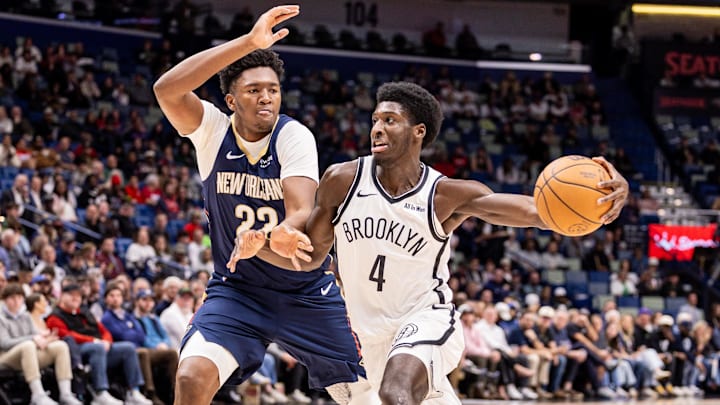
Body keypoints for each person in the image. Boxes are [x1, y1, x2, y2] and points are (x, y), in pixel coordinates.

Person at [232, 81, 629, 404]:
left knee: (395, 392)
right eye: (375, 119)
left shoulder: (445, 195)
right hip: (366, 334)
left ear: (418, 131)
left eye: (390, 120)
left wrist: (599, 203)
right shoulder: (341, 179)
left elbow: (535, 211)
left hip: (426, 319)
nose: (377, 128)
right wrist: (262, 247)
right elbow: (311, 255)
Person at [153, 5, 367, 405]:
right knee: (192, 375)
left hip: (304, 289)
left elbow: (302, 209)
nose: (266, 97)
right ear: (231, 100)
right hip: (238, 291)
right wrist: (248, 44)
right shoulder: (212, 132)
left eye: (273, 89)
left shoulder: (293, 136)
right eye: (254, 91)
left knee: (365, 395)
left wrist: (274, 234)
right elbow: (166, 89)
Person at [0, 283, 82, 405]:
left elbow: (36, 335)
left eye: (19, 297)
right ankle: (38, 394)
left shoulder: (26, 316)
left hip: (28, 355)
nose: (16, 301)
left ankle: (66, 393)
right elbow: (4, 343)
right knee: (28, 345)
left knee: (60, 346)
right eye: (12, 298)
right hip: (6, 358)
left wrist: (47, 339)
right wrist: (33, 338)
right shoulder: (1, 318)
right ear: (4, 300)